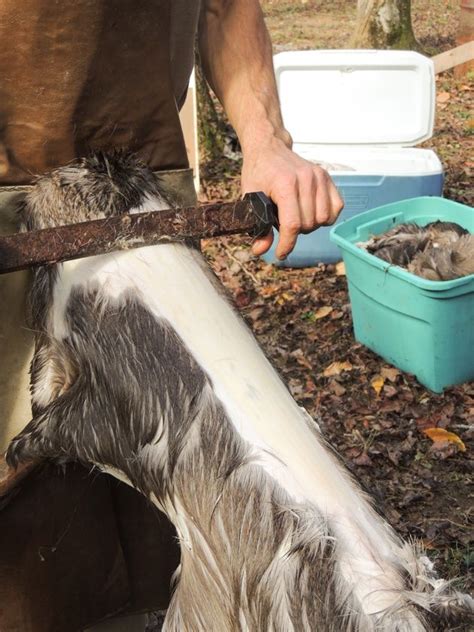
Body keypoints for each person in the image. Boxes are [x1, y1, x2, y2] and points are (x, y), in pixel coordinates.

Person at [0, 1, 343, 630]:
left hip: (142, 194)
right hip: (5, 203)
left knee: (183, 508)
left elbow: (225, 5)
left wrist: (266, 139)